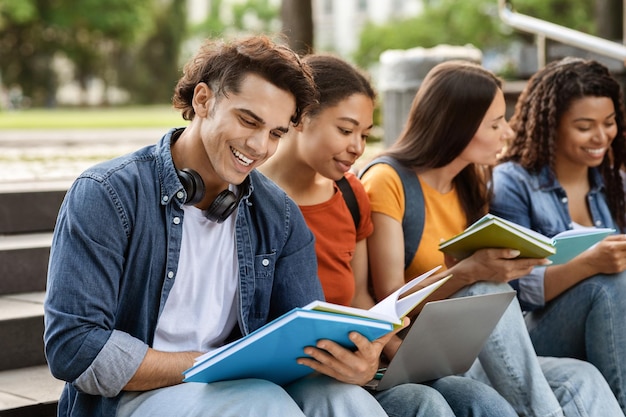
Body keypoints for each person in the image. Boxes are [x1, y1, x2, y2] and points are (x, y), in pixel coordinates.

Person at [43, 35, 398, 417]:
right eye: (249, 120)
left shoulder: (278, 214)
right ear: (202, 100)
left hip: (240, 387)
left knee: (345, 400)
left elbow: (303, 339)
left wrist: (353, 366)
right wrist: (211, 361)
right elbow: (74, 347)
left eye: (277, 133)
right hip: (129, 398)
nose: (260, 146)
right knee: (264, 403)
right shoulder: (108, 193)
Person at [361, 59, 623, 416]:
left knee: (581, 376)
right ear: (459, 126)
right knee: (484, 289)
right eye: (496, 123)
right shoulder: (387, 179)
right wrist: (469, 271)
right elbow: (391, 301)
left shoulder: (471, 184)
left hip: (470, 342)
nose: (508, 133)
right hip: (414, 346)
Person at [261, 54, 518, 417]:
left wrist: (387, 353)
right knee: (426, 404)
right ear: (301, 118)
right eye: (346, 130)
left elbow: (364, 297)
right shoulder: (253, 197)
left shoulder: (350, 194)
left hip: (361, 363)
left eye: (365, 134)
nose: (358, 147)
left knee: (477, 399)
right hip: (299, 372)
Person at [491, 56, 626, 413]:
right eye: (585, 127)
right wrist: (588, 264)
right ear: (552, 125)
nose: (601, 137)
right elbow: (513, 292)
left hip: (613, 325)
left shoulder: (615, 183)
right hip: (534, 332)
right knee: (609, 283)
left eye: (609, 123)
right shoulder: (512, 183)